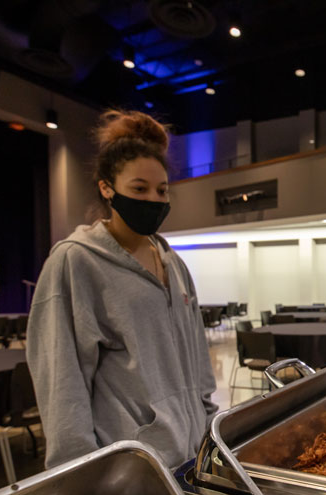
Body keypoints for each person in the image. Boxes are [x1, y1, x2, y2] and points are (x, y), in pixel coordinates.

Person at [27, 110, 218, 469]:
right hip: (131, 463)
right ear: (106, 188)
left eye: (161, 190)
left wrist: (209, 431)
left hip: (191, 454)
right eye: (139, 189)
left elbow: (197, 360)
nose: (154, 200)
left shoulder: (174, 264)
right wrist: (79, 474)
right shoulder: (76, 262)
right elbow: (62, 382)